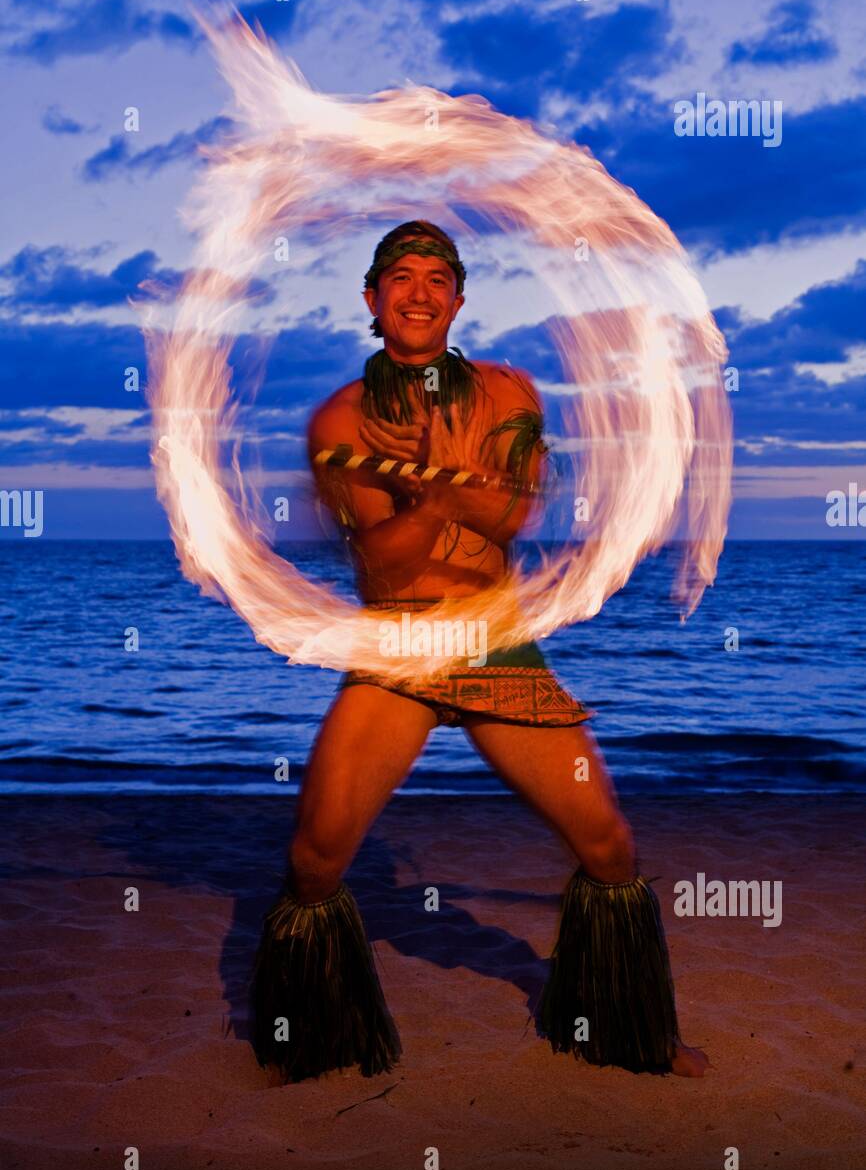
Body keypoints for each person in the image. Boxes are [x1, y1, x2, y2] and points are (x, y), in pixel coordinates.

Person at [251, 220, 709, 1082]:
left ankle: (628, 1033)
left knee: (608, 847)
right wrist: (430, 497)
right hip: (399, 647)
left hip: (495, 646)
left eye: (436, 278)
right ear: (371, 300)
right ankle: (309, 1040)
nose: (418, 292)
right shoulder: (340, 422)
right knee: (314, 858)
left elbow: (511, 516)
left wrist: (438, 484)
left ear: (458, 300)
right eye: (400, 278)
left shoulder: (509, 393)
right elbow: (381, 557)